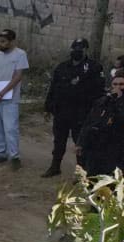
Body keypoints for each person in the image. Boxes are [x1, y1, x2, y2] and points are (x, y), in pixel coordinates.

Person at [42, 38, 104, 177]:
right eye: (74, 48)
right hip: (62, 111)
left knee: (80, 143)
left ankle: (81, 173)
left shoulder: (93, 68)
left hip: (81, 113)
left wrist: (96, 113)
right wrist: (48, 107)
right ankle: (55, 167)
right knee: (59, 141)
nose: (77, 51)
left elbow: (98, 92)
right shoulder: (62, 67)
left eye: (80, 48)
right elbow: (53, 88)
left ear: (86, 50)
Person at [0, 29, 30, 170]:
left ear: (11, 42)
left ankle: (14, 156)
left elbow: (18, 77)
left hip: (10, 98)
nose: (0, 44)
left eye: (3, 41)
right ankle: (0, 153)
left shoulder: (20, 54)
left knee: (11, 128)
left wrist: (4, 91)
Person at [77, 74, 124, 176]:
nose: (118, 87)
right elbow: (89, 122)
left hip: (116, 147)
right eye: (115, 84)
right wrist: (81, 142)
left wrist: (116, 102)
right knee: (93, 176)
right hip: (96, 145)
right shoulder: (102, 101)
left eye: (121, 84)